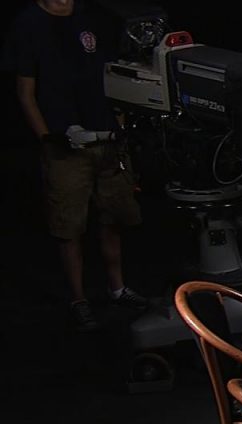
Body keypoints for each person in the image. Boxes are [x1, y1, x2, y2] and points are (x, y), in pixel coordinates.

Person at [6, 0, 148, 331]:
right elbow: (25, 91)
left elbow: (115, 73)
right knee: (69, 226)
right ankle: (79, 299)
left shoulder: (94, 17)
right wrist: (46, 137)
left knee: (114, 216)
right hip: (64, 146)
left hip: (108, 140)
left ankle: (118, 288)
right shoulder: (29, 23)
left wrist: (121, 125)